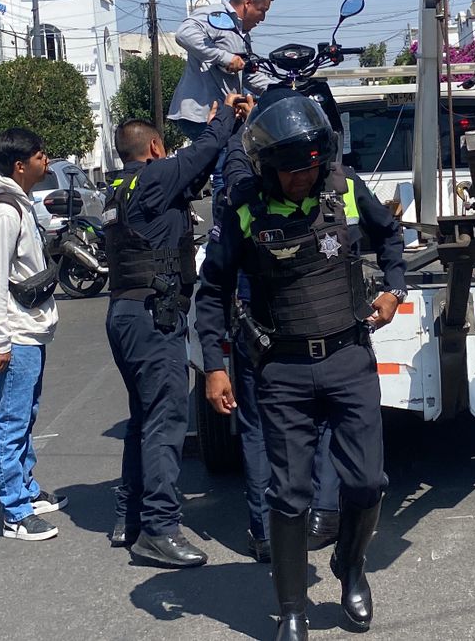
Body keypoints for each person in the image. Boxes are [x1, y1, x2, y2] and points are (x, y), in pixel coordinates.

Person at [195, 95, 407, 640]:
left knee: (367, 482)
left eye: (310, 166)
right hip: (282, 370)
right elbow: (213, 291)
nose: (301, 178)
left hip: (349, 358)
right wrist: (216, 366)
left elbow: (390, 237)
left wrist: (395, 289)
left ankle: (350, 569)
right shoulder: (242, 208)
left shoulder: (346, 188)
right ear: (267, 169)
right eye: (289, 170)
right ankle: (291, 607)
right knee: (288, 497)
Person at [102, 95, 250, 567]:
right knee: (165, 423)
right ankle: (160, 529)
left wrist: (213, 132)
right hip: (153, 316)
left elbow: (194, 173)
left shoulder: (121, 187)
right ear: (156, 148)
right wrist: (225, 116)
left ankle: (131, 519)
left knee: (143, 419)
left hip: (126, 315)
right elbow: (201, 155)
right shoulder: (154, 177)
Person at [217, 87, 345, 563]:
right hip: (293, 316)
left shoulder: (243, 179)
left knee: (259, 427)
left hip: (260, 315)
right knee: (320, 417)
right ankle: (318, 511)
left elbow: (233, 163)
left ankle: (266, 528)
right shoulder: (325, 176)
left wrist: (236, 127)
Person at [0, 128, 66, 541]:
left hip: (29, 328)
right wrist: (1, 339)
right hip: (15, 332)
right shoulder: (2, 213)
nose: (46, 161)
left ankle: (25, 488)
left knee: (25, 413)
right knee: (11, 420)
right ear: (20, 165)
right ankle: (14, 512)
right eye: (40, 156)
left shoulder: (19, 204)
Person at [170, 0, 275, 143]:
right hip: (202, 116)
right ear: (248, 3)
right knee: (228, 163)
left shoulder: (241, 34)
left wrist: (278, 90)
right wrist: (225, 58)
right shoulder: (216, 15)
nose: (262, 18)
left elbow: (248, 74)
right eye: (262, 10)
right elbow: (184, 34)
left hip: (221, 116)